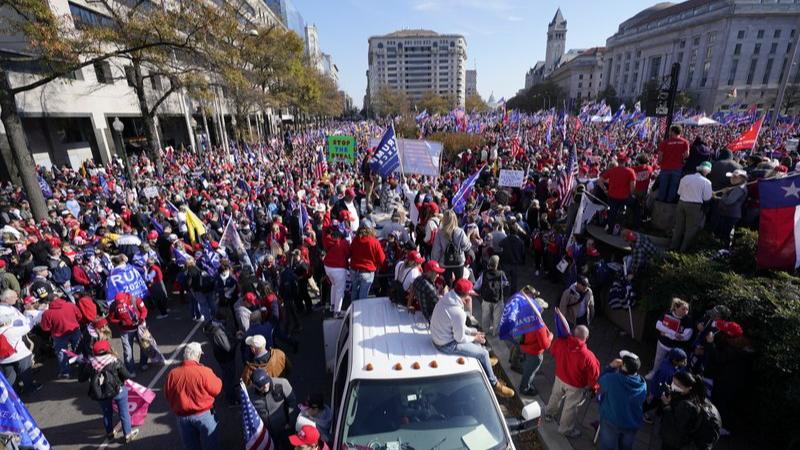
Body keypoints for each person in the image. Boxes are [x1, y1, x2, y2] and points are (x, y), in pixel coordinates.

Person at [429, 278, 514, 398]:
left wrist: (473, 332)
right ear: (466, 295)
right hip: (445, 345)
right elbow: (459, 339)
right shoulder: (458, 312)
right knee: (483, 352)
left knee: (476, 336)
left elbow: (456, 327)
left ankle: (486, 362)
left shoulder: (446, 299)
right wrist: (475, 338)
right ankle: (495, 384)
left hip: (439, 337)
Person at [544, 325, 600, 438]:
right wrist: (594, 388)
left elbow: (552, 351)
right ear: (587, 337)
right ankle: (565, 429)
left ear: (573, 333)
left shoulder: (561, 342)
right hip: (576, 386)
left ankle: (548, 414)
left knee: (555, 396)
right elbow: (594, 375)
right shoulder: (588, 356)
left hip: (559, 377)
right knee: (570, 407)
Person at [78, 340, 139, 443]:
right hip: (117, 391)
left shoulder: (91, 364)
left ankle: (110, 434)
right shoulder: (114, 361)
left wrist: (81, 364)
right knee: (124, 412)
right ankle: (127, 435)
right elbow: (127, 375)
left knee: (107, 413)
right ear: (108, 350)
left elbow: (81, 379)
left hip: (101, 394)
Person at [164, 342, 222, 450]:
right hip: (204, 415)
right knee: (211, 445)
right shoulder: (204, 371)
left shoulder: (172, 374)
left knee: (191, 446)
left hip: (183, 417)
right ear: (198, 355)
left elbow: (167, 395)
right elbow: (217, 389)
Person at [598, 351, 647, 450]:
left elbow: (600, 379)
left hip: (611, 421)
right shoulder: (642, 384)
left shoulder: (612, 379)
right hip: (631, 424)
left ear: (623, 365)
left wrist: (611, 366)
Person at [659, 371, 720, 450]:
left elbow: (677, 426)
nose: (673, 386)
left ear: (689, 388)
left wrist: (667, 405)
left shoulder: (687, 406)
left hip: (674, 440)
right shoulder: (689, 395)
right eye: (673, 382)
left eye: (678, 385)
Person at [249, 369, 298, 450]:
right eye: (261, 386)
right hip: (266, 432)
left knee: (288, 446)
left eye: (266, 382)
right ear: (254, 385)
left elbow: (292, 402)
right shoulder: (249, 393)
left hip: (284, 427)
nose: (265, 386)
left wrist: (290, 423)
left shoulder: (282, 383)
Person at [517, 287, 552, 397]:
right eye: (543, 308)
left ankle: (525, 383)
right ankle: (525, 388)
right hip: (534, 353)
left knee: (527, 368)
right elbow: (545, 345)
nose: (543, 310)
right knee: (530, 372)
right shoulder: (539, 325)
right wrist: (550, 337)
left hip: (524, 348)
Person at [647, 298, 693, 380]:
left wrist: (667, 334)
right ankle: (654, 372)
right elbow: (658, 325)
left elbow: (686, 337)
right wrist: (675, 334)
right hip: (662, 344)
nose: (686, 311)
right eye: (683, 309)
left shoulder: (687, 320)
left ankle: (664, 378)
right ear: (676, 307)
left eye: (687, 309)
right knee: (658, 360)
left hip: (675, 348)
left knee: (671, 365)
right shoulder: (667, 313)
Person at [671, 161, 712, 252]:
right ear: (707, 171)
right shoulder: (707, 182)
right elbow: (707, 198)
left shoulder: (686, 177)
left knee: (678, 227)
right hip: (695, 206)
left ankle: (673, 247)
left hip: (681, 203)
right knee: (691, 229)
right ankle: (683, 250)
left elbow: (679, 192)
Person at [39, 295, 82, 378]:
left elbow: (45, 328)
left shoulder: (47, 313)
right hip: (74, 330)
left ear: (49, 302)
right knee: (79, 349)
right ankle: (83, 366)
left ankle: (65, 372)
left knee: (62, 353)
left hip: (59, 335)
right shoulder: (70, 305)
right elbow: (79, 316)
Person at [107, 291, 149, 375]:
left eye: (122, 303)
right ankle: (130, 370)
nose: (121, 305)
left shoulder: (135, 299)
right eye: (119, 303)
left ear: (126, 298)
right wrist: (119, 322)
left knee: (144, 346)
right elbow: (111, 318)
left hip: (139, 328)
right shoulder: (114, 305)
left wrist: (141, 319)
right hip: (125, 331)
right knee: (127, 352)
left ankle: (144, 363)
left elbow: (144, 310)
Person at [203, 316, 238, 407]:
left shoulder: (212, 330)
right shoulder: (218, 333)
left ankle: (228, 392)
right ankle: (232, 399)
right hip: (226, 358)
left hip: (220, 357)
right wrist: (237, 340)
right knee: (229, 377)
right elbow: (228, 348)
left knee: (227, 375)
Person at [431, 210, 472, 285]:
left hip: (444, 264)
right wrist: (459, 249)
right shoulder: (460, 232)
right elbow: (467, 246)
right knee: (458, 286)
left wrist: (434, 263)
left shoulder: (440, 233)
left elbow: (436, 251)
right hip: (458, 263)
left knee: (445, 286)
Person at [348, 225, 385, 302]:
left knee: (354, 291)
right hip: (367, 272)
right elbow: (381, 259)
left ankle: (353, 309)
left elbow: (349, 253)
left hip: (354, 270)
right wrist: (376, 265)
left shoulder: (355, 240)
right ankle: (360, 311)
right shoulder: (374, 242)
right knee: (363, 296)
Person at [599, 159, 636, 234]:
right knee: (622, 214)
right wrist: (630, 194)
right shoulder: (630, 171)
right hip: (624, 197)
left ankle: (610, 230)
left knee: (612, 213)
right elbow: (633, 186)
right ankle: (619, 231)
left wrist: (605, 189)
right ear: (625, 161)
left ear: (618, 162)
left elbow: (600, 180)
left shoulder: (611, 170)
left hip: (612, 196)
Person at [474, 255, 508, 336]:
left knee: (485, 316)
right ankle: (495, 333)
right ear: (497, 264)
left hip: (486, 299)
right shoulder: (501, 273)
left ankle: (485, 331)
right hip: (498, 299)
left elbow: (476, 286)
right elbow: (506, 284)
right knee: (497, 317)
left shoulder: (484, 273)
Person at [712, 169, 748, 246]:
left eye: (735, 177)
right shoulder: (736, 187)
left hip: (730, 215)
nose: (732, 178)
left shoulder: (739, 188)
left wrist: (724, 193)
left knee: (724, 235)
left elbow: (729, 201)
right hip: (727, 213)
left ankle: (722, 251)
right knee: (721, 234)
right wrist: (717, 198)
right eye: (732, 177)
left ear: (742, 178)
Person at [656, 125, 690, 203]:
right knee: (673, 186)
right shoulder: (685, 142)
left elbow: (660, 156)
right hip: (677, 168)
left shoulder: (665, 142)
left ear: (673, 131)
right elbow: (687, 155)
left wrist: (660, 162)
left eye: (670, 131)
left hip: (665, 167)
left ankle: (661, 202)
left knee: (663, 185)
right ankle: (669, 202)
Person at [322, 224, 350, 318]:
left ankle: (332, 306)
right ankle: (337, 312)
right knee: (340, 291)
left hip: (327, 267)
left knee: (334, 286)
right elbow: (348, 254)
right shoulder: (344, 243)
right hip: (338, 268)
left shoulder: (329, 240)